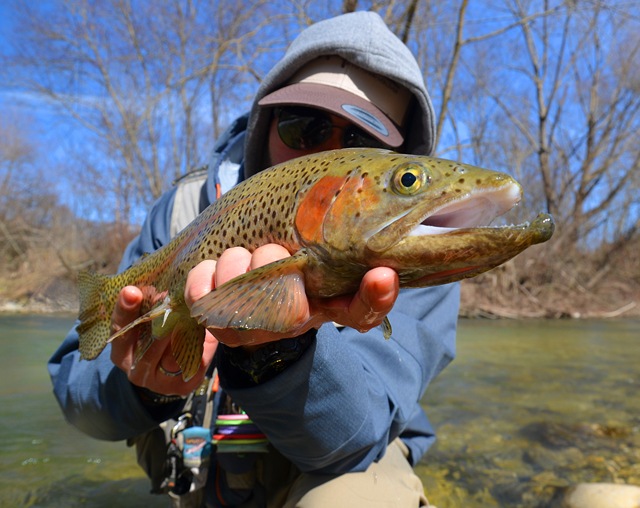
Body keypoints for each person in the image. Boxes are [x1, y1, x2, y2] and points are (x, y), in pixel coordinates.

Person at [48, 11, 459, 508]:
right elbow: (77, 393)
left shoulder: (423, 253)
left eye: (360, 144)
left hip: (325, 475)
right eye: (304, 127)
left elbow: (352, 441)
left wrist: (276, 354)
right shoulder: (182, 213)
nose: (325, 160)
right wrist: (144, 387)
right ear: (266, 125)